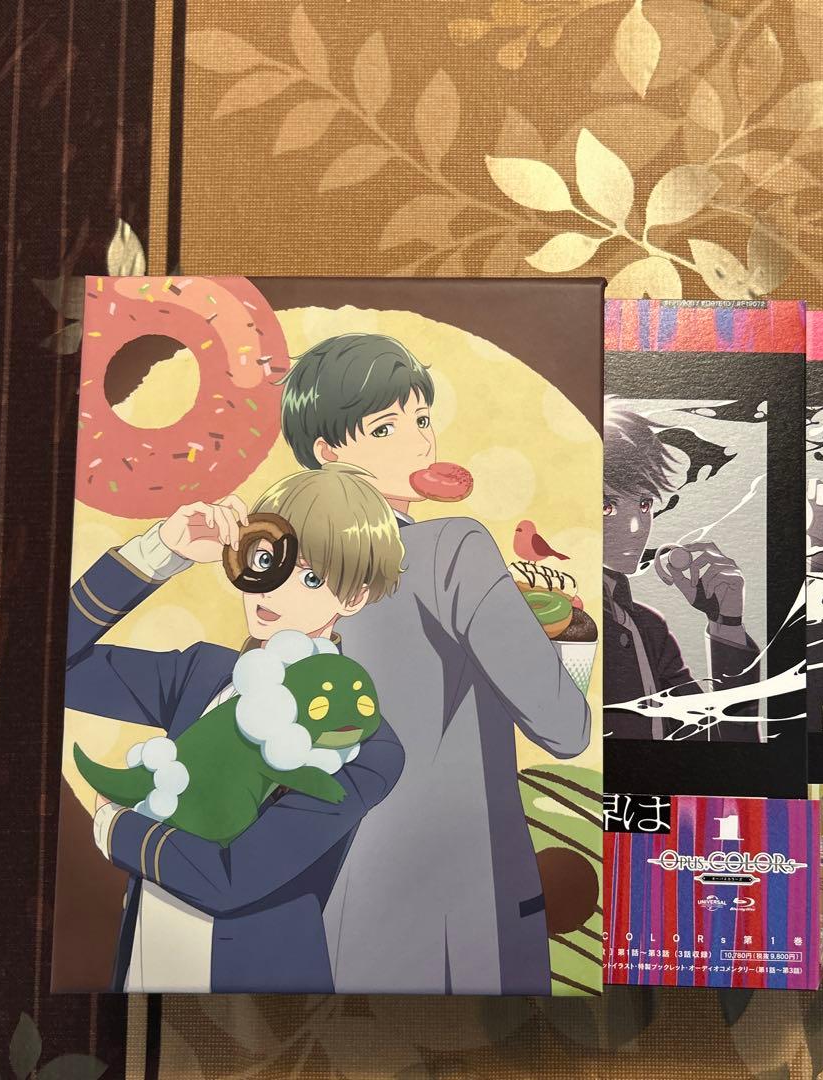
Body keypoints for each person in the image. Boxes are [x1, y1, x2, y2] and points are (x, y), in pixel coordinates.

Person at [280, 332, 591, 995]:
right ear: (328, 453)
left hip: (333, 904)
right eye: (385, 428)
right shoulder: (452, 547)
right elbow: (566, 728)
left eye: (422, 419)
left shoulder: (288, 577)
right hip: (464, 912)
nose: (421, 443)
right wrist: (572, 636)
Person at [65, 465, 405, 992]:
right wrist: (160, 551)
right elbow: (50, 668)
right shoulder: (202, 673)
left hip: (262, 990)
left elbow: (231, 879)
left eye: (311, 577)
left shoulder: (365, 743)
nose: (274, 591)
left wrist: (116, 829)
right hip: (143, 962)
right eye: (266, 560)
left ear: (353, 598)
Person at [601, 398, 760, 741]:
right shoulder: (547, 616)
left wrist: (726, 622)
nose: (636, 527)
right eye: (607, 506)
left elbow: (720, 746)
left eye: (644, 504)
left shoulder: (647, 628)